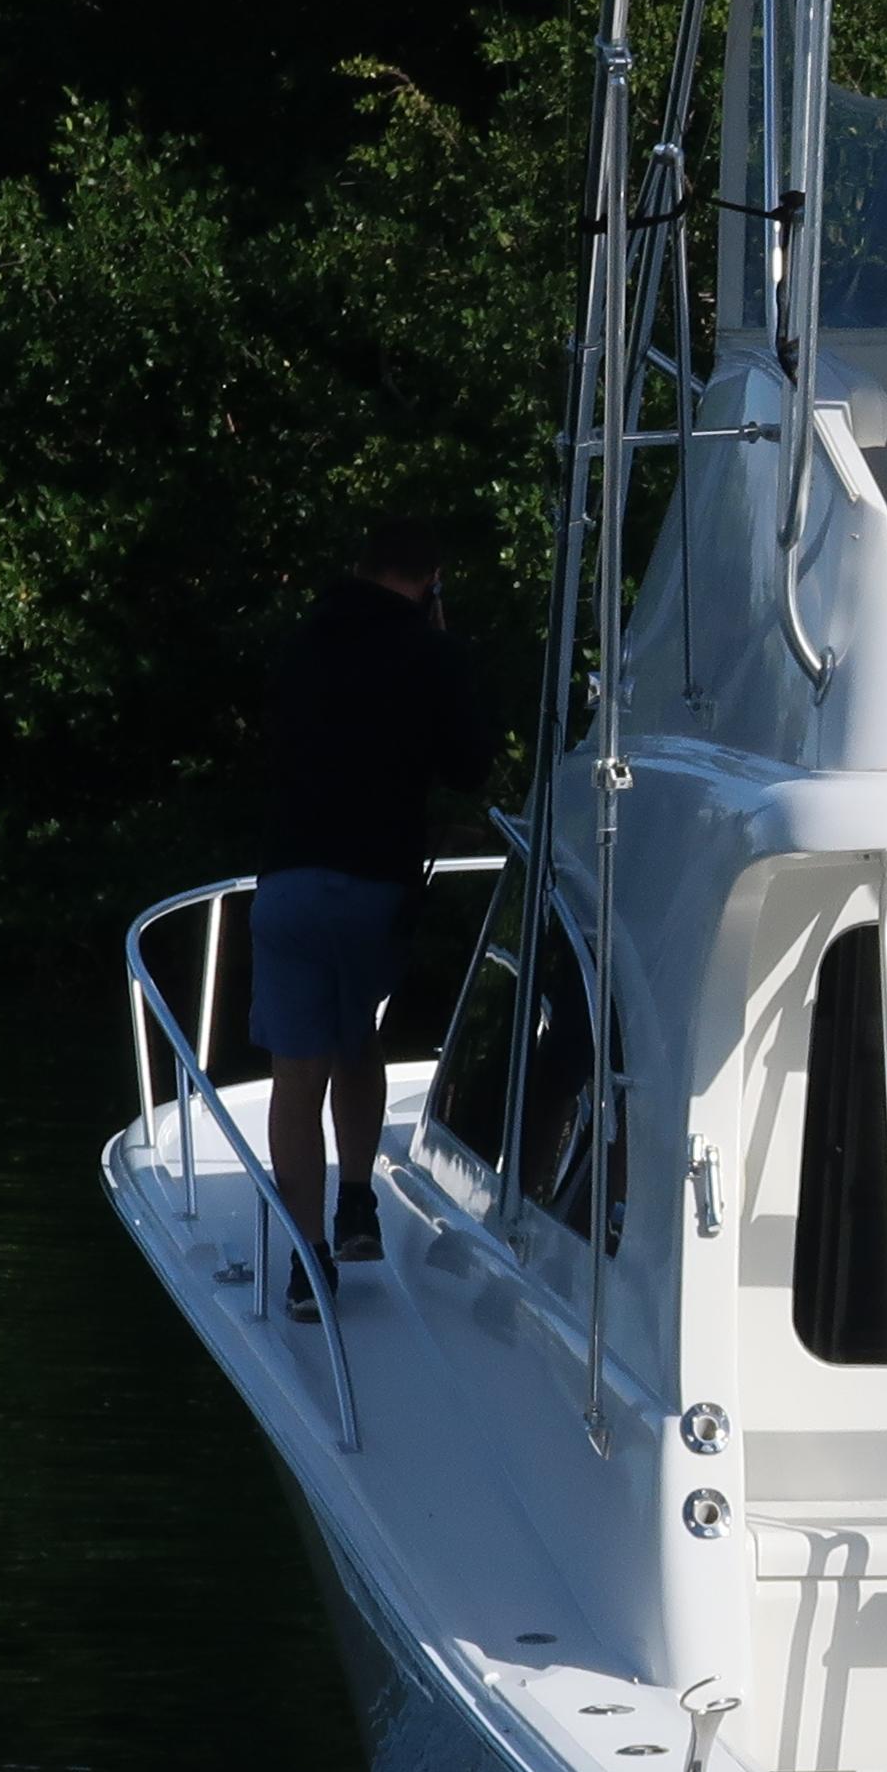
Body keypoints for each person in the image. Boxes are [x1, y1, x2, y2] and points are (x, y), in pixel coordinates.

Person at [254, 512, 501, 1317]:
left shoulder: (302, 642)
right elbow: (469, 766)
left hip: (289, 883)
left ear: (361, 566)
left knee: (296, 1077)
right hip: (374, 889)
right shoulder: (429, 652)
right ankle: (356, 1202)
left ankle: (307, 1266)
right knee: (358, 1038)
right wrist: (443, 650)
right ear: (430, 580)